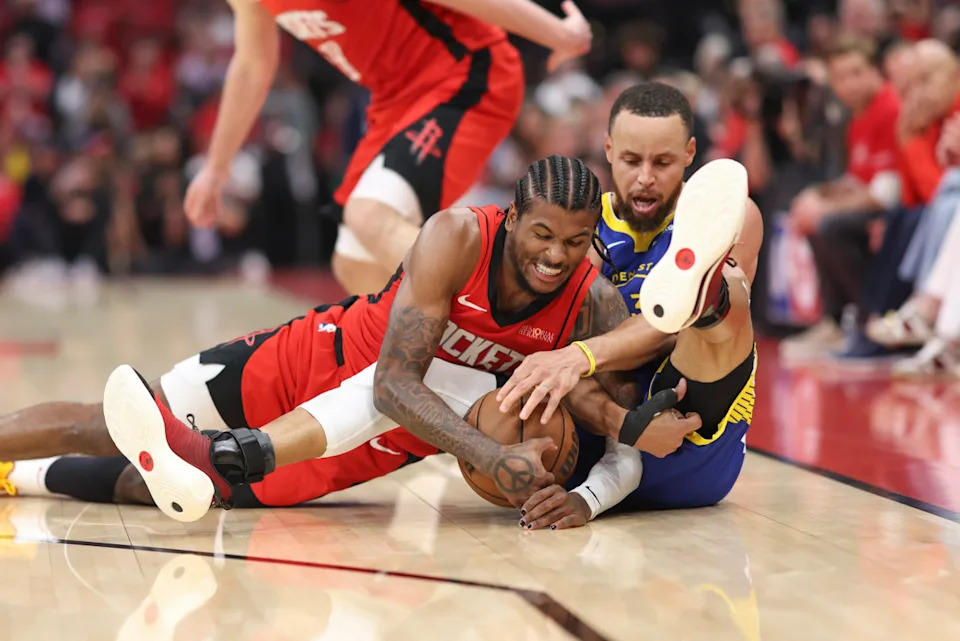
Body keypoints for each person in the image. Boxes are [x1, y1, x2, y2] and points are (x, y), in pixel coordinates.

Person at [0, 156, 700, 523]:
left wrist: (596, 455)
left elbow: (609, 428)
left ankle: (18, 477)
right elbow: (395, 381)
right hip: (322, 354)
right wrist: (494, 454)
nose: (557, 255)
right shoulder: (457, 235)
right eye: (543, 235)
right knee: (115, 421)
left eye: (576, 243)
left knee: (185, 487)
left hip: (372, 435)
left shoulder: (593, 301)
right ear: (511, 217)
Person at [495, 83, 764, 530]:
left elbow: (666, 336)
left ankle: (704, 290)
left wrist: (579, 355)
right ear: (608, 149)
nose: (645, 177)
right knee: (530, 362)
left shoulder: (732, 216)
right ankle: (604, 477)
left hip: (690, 432)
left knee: (725, 304)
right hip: (597, 430)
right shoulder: (578, 223)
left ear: (690, 153)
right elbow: (546, 351)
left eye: (662, 163)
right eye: (631, 160)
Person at [185, 0, 592, 294]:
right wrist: (215, 169)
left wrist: (557, 33)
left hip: (466, 73)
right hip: (397, 99)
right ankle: (444, 366)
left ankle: (526, 309)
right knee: (354, 260)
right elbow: (253, 64)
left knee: (370, 214)